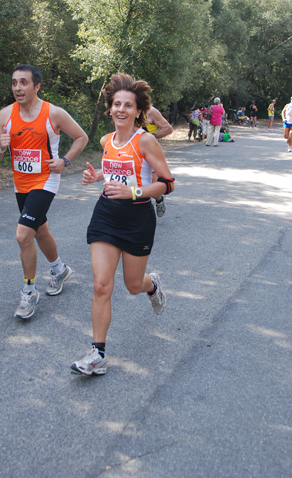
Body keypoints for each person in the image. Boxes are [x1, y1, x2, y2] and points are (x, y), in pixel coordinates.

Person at [71, 73, 174, 376]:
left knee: (132, 286)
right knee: (102, 285)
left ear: (138, 111)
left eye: (128, 105)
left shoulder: (146, 141)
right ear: (110, 107)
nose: (121, 110)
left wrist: (133, 192)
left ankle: (152, 286)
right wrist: (98, 176)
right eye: (117, 104)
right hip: (106, 215)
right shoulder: (106, 140)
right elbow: (114, 169)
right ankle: (97, 353)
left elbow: (168, 184)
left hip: (138, 218)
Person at [0, 64, 88, 319]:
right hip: (20, 183)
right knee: (40, 229)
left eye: (24, 82)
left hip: (46, 180)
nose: (18, 88)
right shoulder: (5, 115)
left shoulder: (53, 113)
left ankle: (29, 291)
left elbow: (81, 137)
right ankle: (59, 269)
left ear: (37, 86)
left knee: (24, 236)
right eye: (14, 83)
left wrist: (64, 161)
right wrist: (0, 147)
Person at [143, 106, 173, 217]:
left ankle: (159, 199)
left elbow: (168, 128)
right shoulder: (128, 109)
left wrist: (152, 136)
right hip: (131, 151)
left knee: (152, 184)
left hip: (150, 151)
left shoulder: (151, 111)